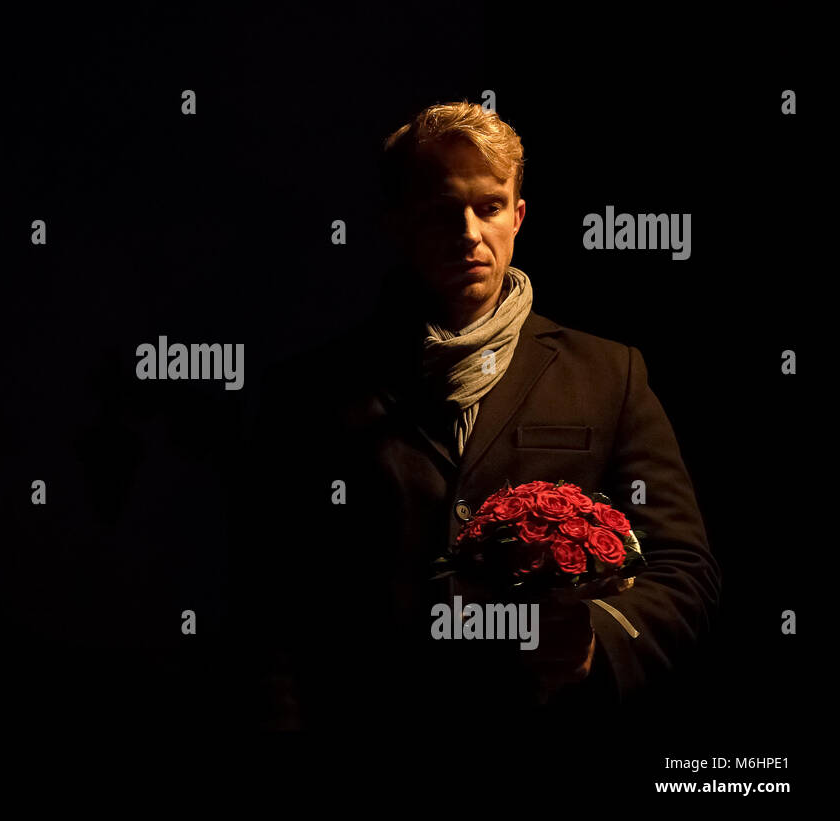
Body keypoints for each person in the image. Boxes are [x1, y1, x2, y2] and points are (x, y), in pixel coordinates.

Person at [233, 102, 721, 731]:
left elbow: (684, 565)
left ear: (517, 216)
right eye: (441, 211)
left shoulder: (609, 373)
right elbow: (267, 598)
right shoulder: (309, 391)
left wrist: (594, 642)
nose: (469, 232)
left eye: (489, 207)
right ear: (397, 223)